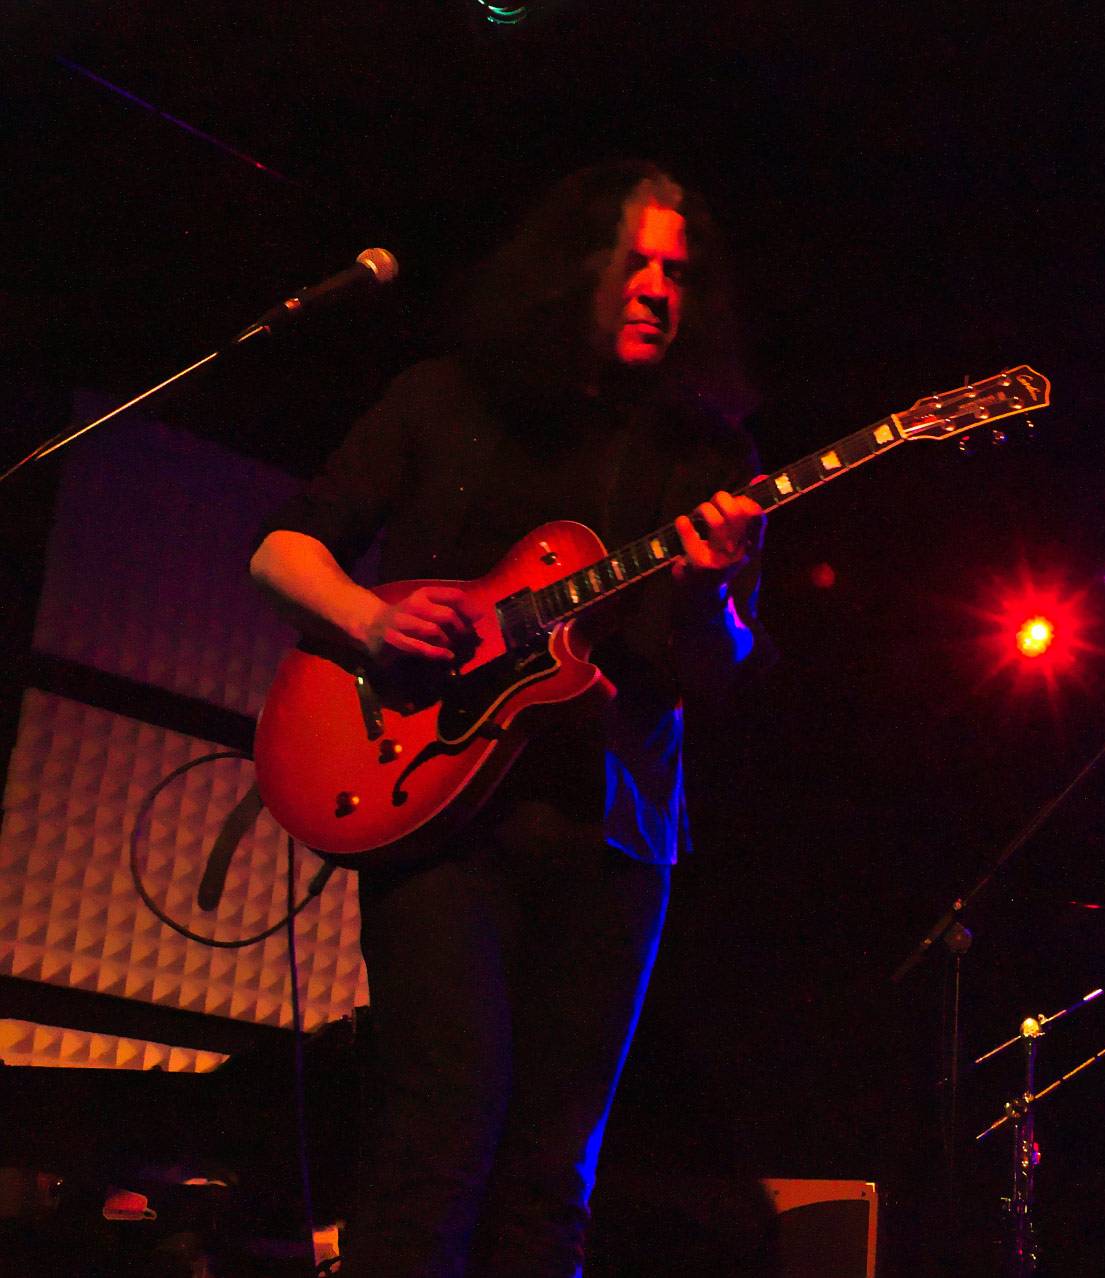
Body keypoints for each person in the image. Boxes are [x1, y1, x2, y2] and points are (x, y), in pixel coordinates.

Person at [249, 161, 767, 1277]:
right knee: (440, 1127)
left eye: (678, 273)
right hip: (436, 813)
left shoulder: (708, 455)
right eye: (634, 263)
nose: (657, 289)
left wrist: (712, 590)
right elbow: (282, 550)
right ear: (574, 269)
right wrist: (371, 621)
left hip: (616, 832)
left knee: (553, 1169)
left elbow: (719, 667)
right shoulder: (445, 398)